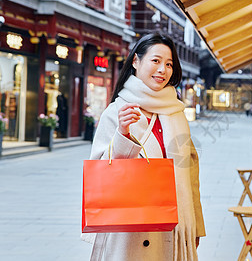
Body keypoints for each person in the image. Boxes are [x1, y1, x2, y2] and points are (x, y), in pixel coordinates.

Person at [82, 33, 206, 260]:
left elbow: (191, 173)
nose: (163, 70)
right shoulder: (117, 112)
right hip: (131, 233)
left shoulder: (176, 113)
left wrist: (196, 225)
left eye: (169, 64)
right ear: (136, 61)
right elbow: (100, 169)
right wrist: (123, 134)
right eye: (156, 61)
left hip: (176, 227)